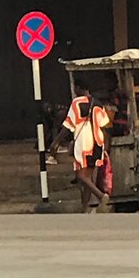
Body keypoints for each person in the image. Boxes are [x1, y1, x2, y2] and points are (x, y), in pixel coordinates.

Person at [48, 82, 112, 212]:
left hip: (83, 142)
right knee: (88, 177)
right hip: (97, 142)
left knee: (82, 177)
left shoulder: (76, 103)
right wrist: (105, 146)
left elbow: (68, 126)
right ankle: (84, 209)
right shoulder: (98, 103)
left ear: (78, 88)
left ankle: (101, 196)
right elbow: (105, 126)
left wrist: (56, 142)